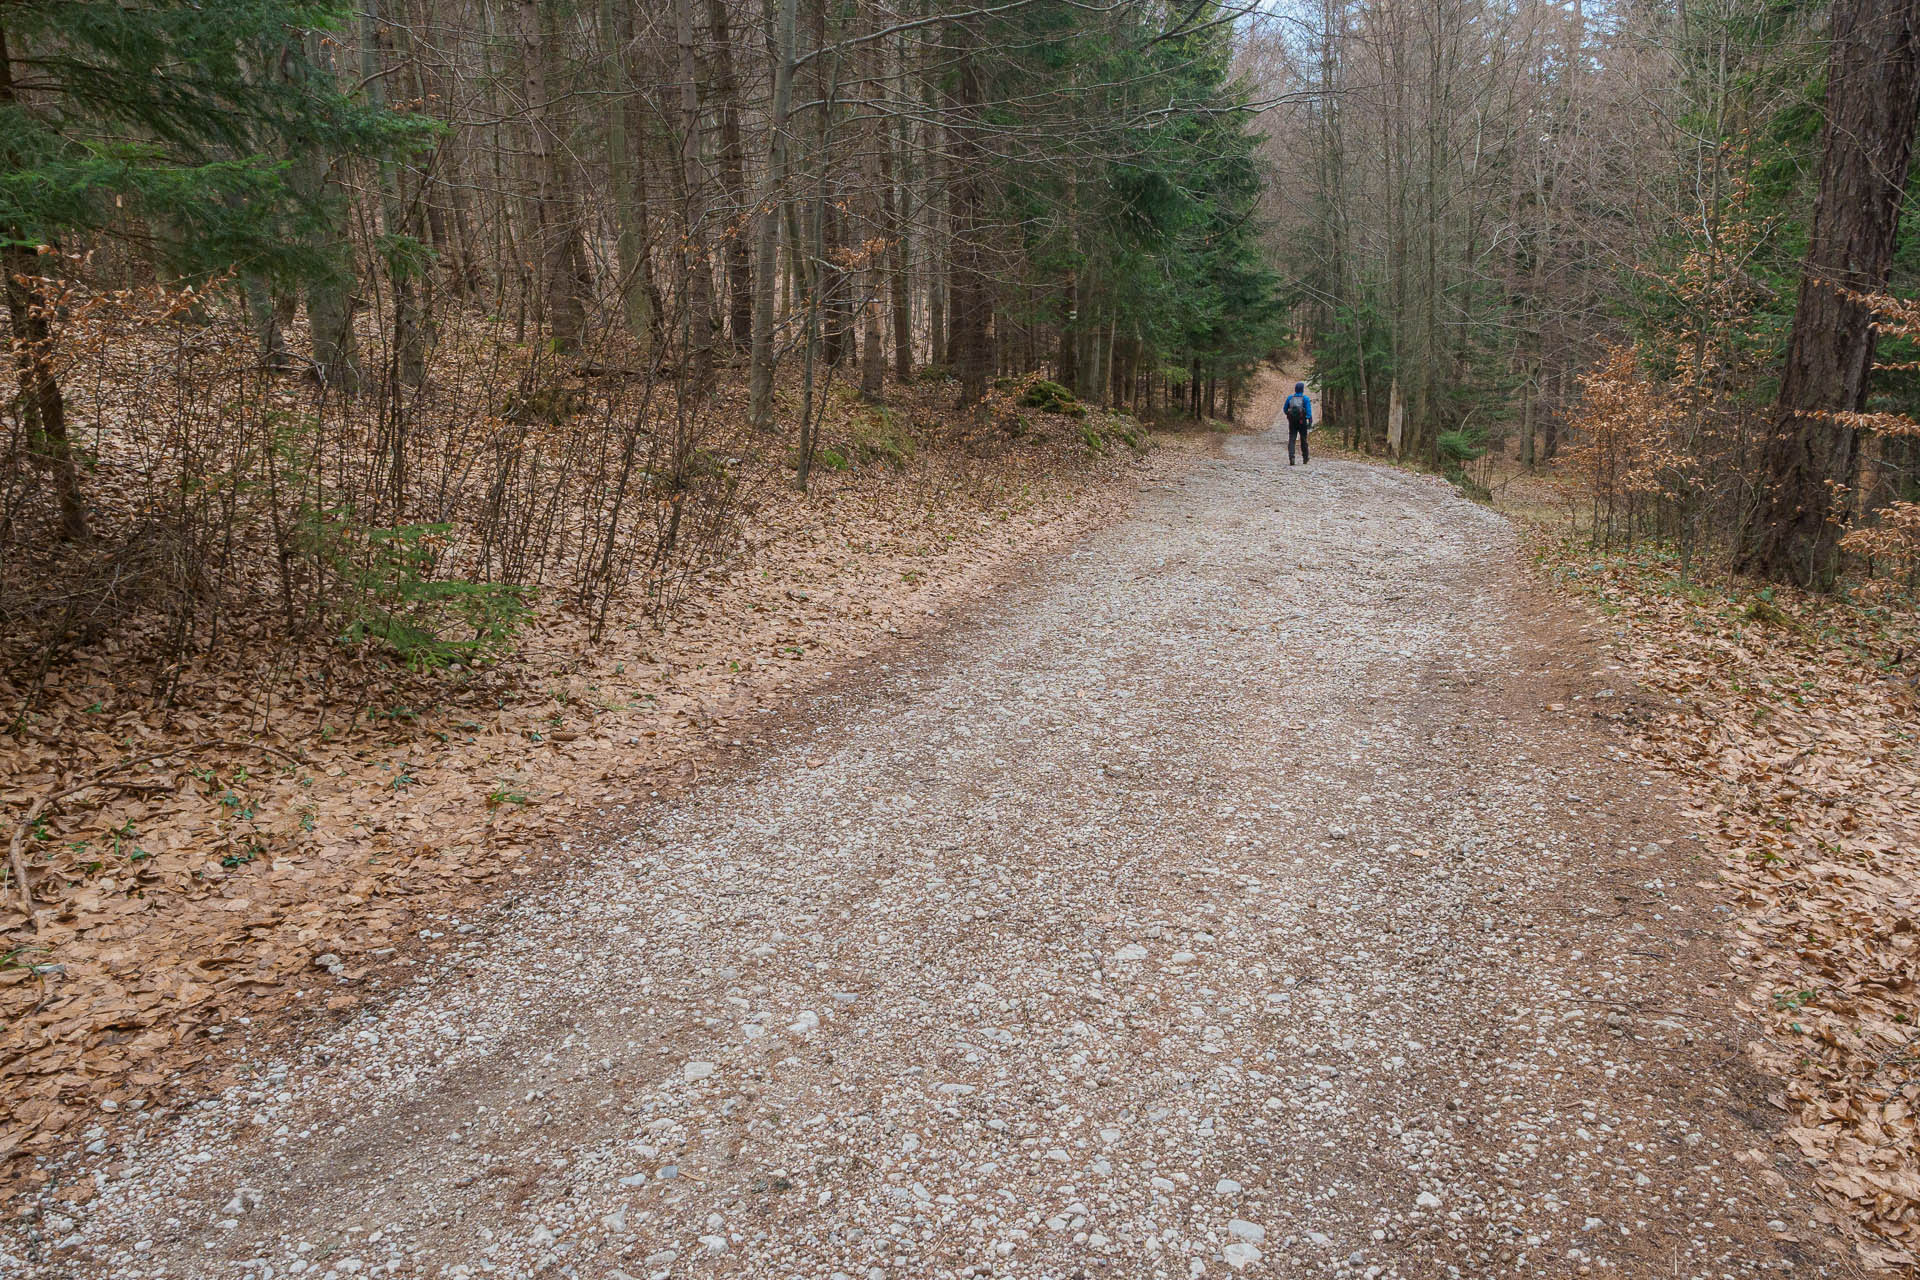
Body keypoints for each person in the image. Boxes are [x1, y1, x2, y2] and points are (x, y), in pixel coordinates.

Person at [1282, 382, 1314, 465]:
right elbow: (1309, 412)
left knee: (1292, 438)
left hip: (1292, 422)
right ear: (1302, 389)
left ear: (1295, 389)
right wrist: (1309, 420)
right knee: (1303, 439)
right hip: (1302, 421)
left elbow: (1285, 409)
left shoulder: (1290, 398)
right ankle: (1305, 458)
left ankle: (1291, 457)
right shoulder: (1305, 398)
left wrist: (1290, 416)